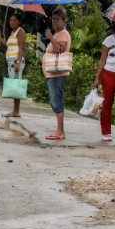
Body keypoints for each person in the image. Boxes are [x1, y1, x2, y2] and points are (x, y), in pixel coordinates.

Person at [44, 8, 71, 140]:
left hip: (58, 73)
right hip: (53, 73)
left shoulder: (63, 34)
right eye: (53, 19)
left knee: (57, 100)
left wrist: (50, 38)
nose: (55, 21)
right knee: (55, 100)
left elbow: (60, 50)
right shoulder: (58, 34)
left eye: (58, 19)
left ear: (64, 20)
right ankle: (59, 130)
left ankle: (60, 131)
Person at [0, 12, 26, 118]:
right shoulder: (12, 32)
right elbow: (10, 47)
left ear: (19, 22)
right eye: (11, 20)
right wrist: (4, 42)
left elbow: (21, 48)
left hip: (15, 61)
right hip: (10, 61)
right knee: (14, 85)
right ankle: (14, 110)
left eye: (15, 20)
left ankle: (16, 111)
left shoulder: (21, 32)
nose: (12, 22)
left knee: (16, 86)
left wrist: (18, 63)